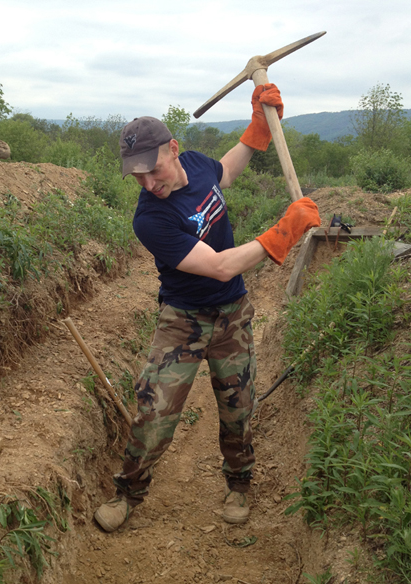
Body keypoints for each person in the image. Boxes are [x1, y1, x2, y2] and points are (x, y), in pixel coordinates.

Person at [94, 84, 320, 533]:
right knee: (154, 410)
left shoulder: (196, 164)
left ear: (174, 150)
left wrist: (258, 127)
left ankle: (238, 484)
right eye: (137, 177)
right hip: (184, 319)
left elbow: (228, 170)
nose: (148, 184)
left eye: (153, 171)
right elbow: (217, 266)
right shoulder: (150, 219)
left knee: (238, 406)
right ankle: (128, 493)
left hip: (232, 313)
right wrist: (282, 233)